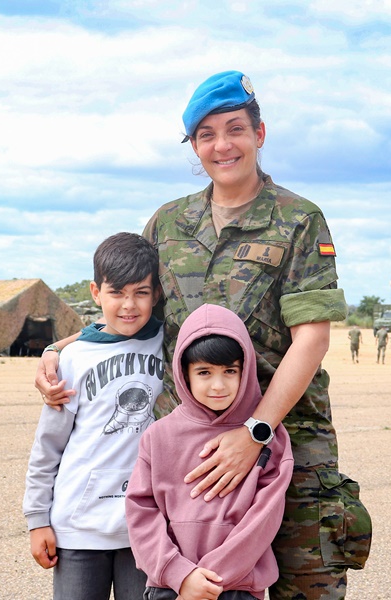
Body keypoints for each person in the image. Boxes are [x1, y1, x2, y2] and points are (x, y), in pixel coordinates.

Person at [36, 71, 370, 599]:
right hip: (189, 454)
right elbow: (131, 309)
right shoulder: (168, 225)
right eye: (206, 135)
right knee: (192, 587)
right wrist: (63, 346)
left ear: (259, 134)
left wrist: (255, 434)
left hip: (285, 442)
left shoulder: (299, 220)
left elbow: (312, 338)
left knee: (304, 586)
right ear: (194, 146)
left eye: (234, 129)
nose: (222, 145)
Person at [23, 232, 164, 600]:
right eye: (116, 292)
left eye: (141, 293)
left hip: (147, 530)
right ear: (96, 292)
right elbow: (48, 446)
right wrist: (37, 520)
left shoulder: (171, 345)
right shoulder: (74, 358)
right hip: (78, 528)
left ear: (157, 294)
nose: (129, 305)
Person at [126, 303, 293, 600]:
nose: (218, 385)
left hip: (237, 588)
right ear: (184, 373)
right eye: (204, 372)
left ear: (247, 370)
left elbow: (263, 520)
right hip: (170, 587)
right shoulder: (158, 436)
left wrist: (208, 582)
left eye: (230, 371)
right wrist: (180, 574)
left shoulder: (269, 437)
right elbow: (140, 510)